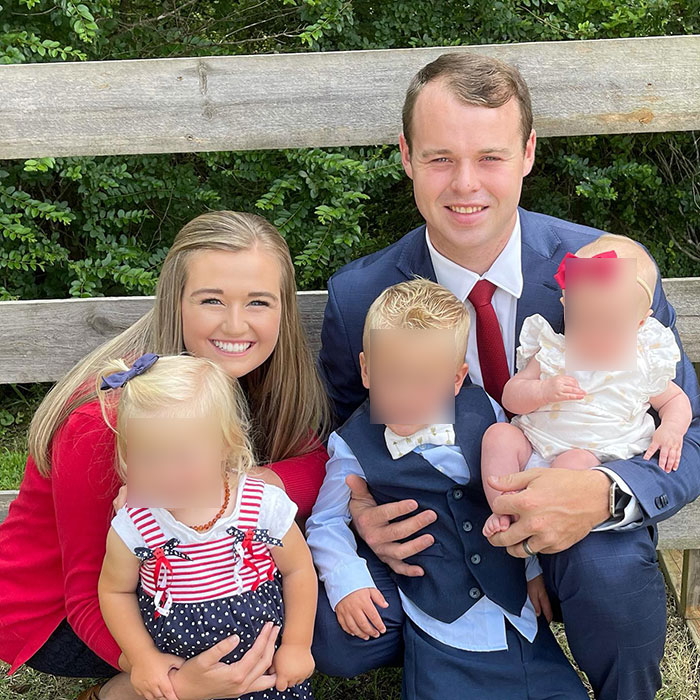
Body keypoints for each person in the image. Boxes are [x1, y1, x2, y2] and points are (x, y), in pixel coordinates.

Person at [315, 52, 700, 700]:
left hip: (573, 493)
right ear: (407, 155)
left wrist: (605, 493)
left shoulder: (607, 272)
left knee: (610, 576)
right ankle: (474, 638)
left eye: (489, 156)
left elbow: (690, 434)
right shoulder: (361, 299)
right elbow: (344, 429)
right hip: (435, 523)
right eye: (440, 158)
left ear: (526, 153)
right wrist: (358, 513)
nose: (465, 183)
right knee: (335, 632)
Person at [0, 211, 330, 700]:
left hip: (174, 579)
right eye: (211, 299)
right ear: (173, 303)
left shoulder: (259, 381)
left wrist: (250, 483)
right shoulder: (106, 421)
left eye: (258, 301)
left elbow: (317, 460)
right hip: (57, 613)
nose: (236, 323)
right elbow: (90, 593)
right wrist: (169, 680)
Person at [307, 279, 584, 699]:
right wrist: (347, 579)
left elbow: (514, 492)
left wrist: (531, 568)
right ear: (366, 369)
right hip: (439, 620)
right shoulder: (352, 443)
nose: (406, 397)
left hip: (513, 612)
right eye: (392, 378)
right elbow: (326, 521)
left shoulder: (485, 409)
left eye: (424, 382)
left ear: (457, 379)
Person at [97, 353, 316, 700]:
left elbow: (298, 570)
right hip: (182, 667)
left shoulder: (261, 505)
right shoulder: (136, 523)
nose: (167, 475)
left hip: (264, 662)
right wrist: (143, 657)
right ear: (126, 452)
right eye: (149, 458)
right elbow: (114, 591)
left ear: (225, 446)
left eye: (183, 458)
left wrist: (297, 644)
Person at [482, 234, 693, 536]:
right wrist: (542, 391)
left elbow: (675, 401)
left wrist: (671, 429)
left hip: (587, 463)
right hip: (535, 444)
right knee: (498, 436)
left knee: (574, 460)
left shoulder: (641, 362)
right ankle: (506, 509)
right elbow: (511, 397)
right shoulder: (554, 351)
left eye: (609, 324)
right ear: (566, 305)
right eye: (583, 318)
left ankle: (537, 514)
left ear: (640, 322)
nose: (595, 334)